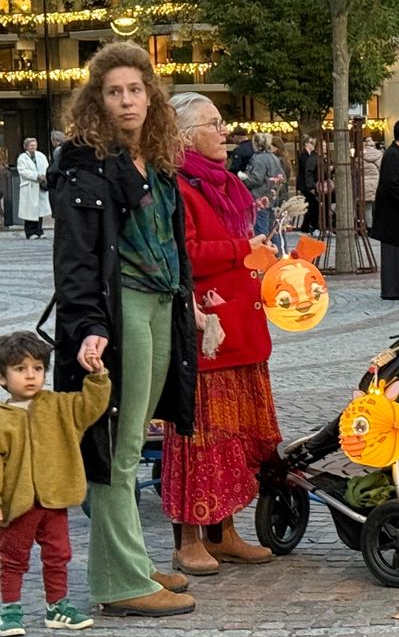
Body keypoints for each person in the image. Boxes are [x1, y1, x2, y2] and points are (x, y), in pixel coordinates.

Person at [51, 40, 197, 615]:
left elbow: (169, 242)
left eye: (136, 89)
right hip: (122, 309)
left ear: (151, 95)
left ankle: (129, 557)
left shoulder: (156, 158)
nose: (127, 100)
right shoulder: (84, 163)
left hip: (162, 303)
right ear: (98, 99)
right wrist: (89, 324)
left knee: (135, 436)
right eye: (114, 92)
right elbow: (76, 257)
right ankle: (118, 580)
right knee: (115, 444)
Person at [163, 93, 278, 577]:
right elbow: (183, 254)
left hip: (243, 328)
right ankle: (188, 538)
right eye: (214, 123)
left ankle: (225, 532)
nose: (224, 130)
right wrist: (240, 248)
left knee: (233, 438)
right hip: (207, 330)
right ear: (187, 136)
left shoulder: (230, 184)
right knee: (199, 438)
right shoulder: (177, 187)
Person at [0, 331, 107, 634]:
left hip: (56, 499)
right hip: (19, 504)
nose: (31, 376)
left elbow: (91, 406)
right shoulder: (2, 418)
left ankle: (57, 607)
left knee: (59, 555)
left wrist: (98, 376)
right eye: (20, 369)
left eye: (37, 368)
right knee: (12, 558)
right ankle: (9, 610)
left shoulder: (59, 406)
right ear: (3, 378)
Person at [369, 119, 399, 301]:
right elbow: (391, 183)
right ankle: (392, 289)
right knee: (393, 253)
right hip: (392, 215)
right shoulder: (392, 154)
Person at [241, 133, 287, 251]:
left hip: (260, 198)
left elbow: (257, 179)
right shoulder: (274, 157)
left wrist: (243, 179)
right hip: (272, 197)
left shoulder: (259, 158)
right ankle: (279, 255)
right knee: (273, 230)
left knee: (261, 230)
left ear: (256, 143)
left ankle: (265, 258)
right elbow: (281, 176)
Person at [17, 138, 51, 239]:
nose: (33, 147)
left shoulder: (41, 156)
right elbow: (23, 172)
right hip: (29, 187)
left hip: (40, 186)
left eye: (35, 145)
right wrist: (36, 176)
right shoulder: (22, 158)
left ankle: (39, 230)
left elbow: (46, 167)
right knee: (29, 211)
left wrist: (44, 176)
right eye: (31, 145)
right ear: (26, 146)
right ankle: (30, 232)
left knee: (39, 210)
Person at [297, 136, 321, 234]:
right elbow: (307, 168)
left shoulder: (309, 155)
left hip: (306, 183)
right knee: (311, 204)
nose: (313, 146)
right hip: (305, 184)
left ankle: (306, 226)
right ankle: (308, 226)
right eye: (311, 143)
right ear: (306, 144)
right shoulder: (304, 155)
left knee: (311, 204)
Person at [360, 136, 382, 231]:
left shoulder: (360, 155)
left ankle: (369, 227)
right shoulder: (378, 154)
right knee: (377, 207)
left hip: (364, 184)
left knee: (367, 208)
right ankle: (377, 226)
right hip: (376, 183)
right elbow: (382, 167)